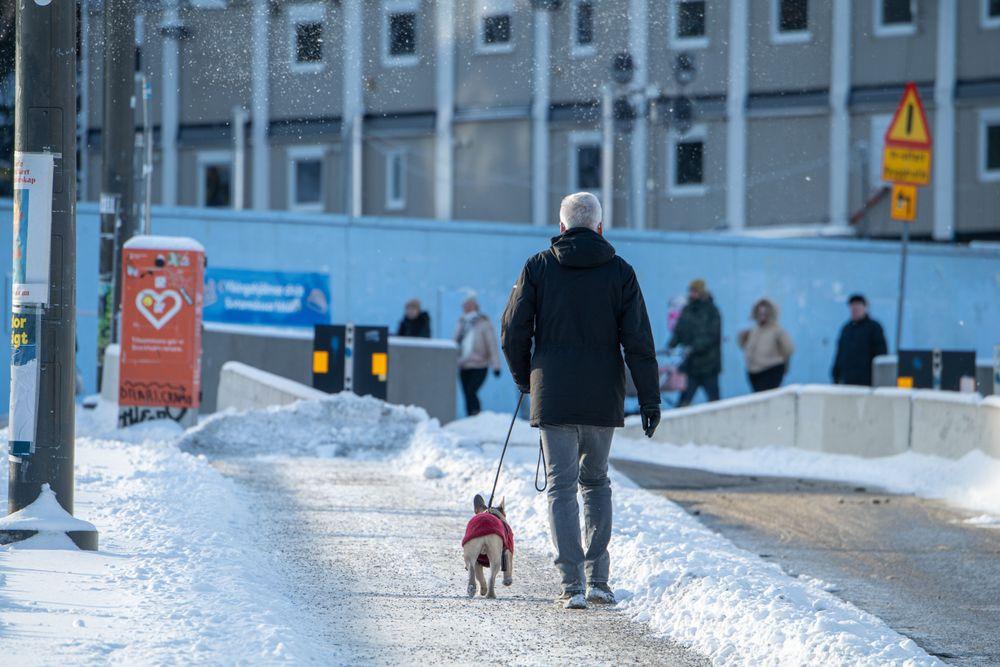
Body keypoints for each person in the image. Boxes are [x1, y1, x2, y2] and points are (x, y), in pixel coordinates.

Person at [501, 192, 660, 611]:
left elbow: (513, 331)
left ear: (561, 227)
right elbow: (639, 343)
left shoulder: (538, 267)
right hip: (602, 397)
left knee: (561, 487)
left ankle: (571, 584)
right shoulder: (621, 273)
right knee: (596, 482)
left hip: (553, 394)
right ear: (600, 228)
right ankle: (599, 580)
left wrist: (526, 380)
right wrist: (649, 400)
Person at [667, 279, 722, 406]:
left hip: (709, 366)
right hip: (691, 367)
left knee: (716, 403)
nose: (692, 294)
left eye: (695, 291)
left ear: (702, 292)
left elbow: (712, 336)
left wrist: (693, 347)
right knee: (683, 403)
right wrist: (671, 345)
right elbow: (679, 331)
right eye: (691, 291)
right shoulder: (687, 310)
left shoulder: (712, 311)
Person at [454, 295, 501, 416]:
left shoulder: (483, 322)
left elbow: (491, 344)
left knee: (471, 391)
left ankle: (477, 415)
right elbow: (455, 343)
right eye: (465, 305)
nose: (467, 308)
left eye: (470, 305)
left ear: (476, 307)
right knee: (466, 393)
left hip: (480, 365)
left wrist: (496, 366)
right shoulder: (461, 322)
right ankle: (470, 417)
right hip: (463, 364)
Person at [738, 298, 794, 392]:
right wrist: (742, 340)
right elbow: (748, 347)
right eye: (759, 313)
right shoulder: (754, 330)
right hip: (753, 372)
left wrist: (782, 361)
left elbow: (789, 349)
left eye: (765, 313)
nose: (762, 316)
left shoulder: (776, 330)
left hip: (771, 370)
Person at [831, 293, 887, 387]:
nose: (855, 309)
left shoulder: (874, 328)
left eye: (858, 306)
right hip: (847, 382)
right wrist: (836, 375)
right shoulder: (846, 329)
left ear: (865, 308)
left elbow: (881, 354)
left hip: (867, 384)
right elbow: (840, 354)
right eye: (852, 307)